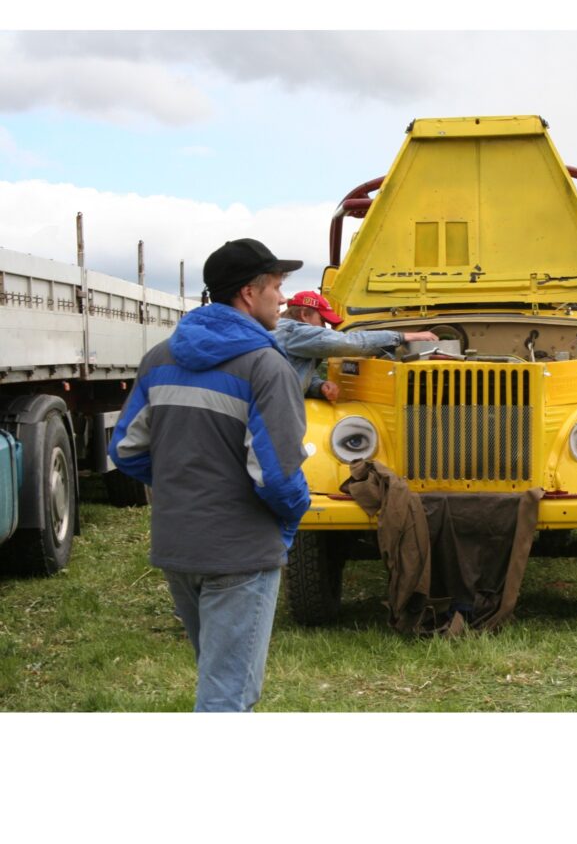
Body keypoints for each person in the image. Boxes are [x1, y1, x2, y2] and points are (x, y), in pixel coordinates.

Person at [109, 238, 311, 712]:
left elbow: (126, 450)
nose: (283, 299)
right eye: (277, 287)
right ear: (248, 293)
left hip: (179, 547)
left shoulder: (160, 358)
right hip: (239, 554)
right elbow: (279, 479)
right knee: (227, 697)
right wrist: (294, 515)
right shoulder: (265, 365)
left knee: (217, 679)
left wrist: (185, 485)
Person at [274, 290, 439, 401]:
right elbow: (348, 342)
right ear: (304, 315)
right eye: (323, 321)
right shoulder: (292, 331)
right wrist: (402, 336)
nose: (324, 327)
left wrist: (319, 386)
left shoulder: (292, 338)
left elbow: (296, 371)